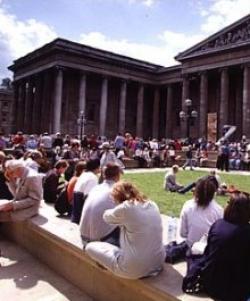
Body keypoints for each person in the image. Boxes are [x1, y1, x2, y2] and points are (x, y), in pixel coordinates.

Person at [86, 182, 165, 279]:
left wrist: (116, 206)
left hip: (133, 269)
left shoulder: (125, 208)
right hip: (157, 263)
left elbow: (106, 217)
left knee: (90, 247)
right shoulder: (152, 204)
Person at [183, 192, 250, 301]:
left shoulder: (218, 225)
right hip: (236, 292)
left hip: (211, 284)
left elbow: (209, 253)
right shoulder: (246, 232)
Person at [79, 163, 122, 245]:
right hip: (100, 240)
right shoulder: (116, 191)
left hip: (83, 237)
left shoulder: (95, 188)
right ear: (118, 176)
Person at [179, 177, 223, 248]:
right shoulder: (219, 210)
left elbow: (182, 233)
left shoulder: (188, 205)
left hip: (190, 248)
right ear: (214, 193)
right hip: (208, 250)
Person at [71, 158, 100, 224]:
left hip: (76, 213)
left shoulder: (84, 175)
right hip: (82, 216)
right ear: (97, 167)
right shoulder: (92, 177)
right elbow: (87, 197)